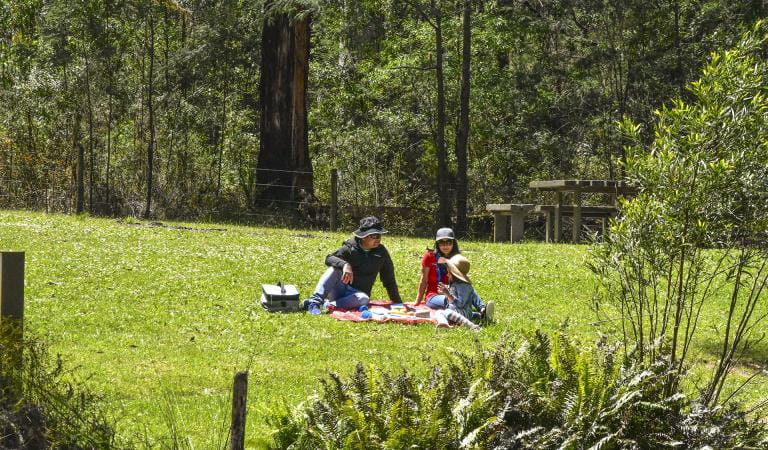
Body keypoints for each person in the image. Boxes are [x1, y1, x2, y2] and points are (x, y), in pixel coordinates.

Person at [303, 216, 402, 315]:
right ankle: (314, 303)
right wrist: (345, 265)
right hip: (339, 289)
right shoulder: (349, 247)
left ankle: (328, 305)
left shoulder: (381, 252)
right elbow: (329, 258)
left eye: (379, 236)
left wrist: (398, 303)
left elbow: (389, 279)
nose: (377, 239)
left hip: (357, 296)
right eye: (373, 236)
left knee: (364, 299)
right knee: (334, 269)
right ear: (363, 237)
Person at [433, 254, 494, 329]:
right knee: (438, 312)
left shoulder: (463, 287)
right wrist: (447, 289)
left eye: (449, 272)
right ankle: (444, 324)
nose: (447, 274)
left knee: (447, 312)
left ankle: (471, 326)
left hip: (462, 312)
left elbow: (460, 304)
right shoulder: (458, 284)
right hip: (461, 312)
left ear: (455, 274)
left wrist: (448, 294)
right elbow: (456, 293)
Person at [414, 227, 461, 309]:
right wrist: (417, 302)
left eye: (449, 242)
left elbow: (461, 281)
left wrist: (450, 289)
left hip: (453, 292)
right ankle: (476, 314)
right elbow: (424, 280)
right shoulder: (429, 256)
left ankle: (482, 308)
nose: (445, 245)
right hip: (434, 295)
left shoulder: (457, 258)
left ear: (454, 243)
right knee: (450, 300)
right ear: (437, 243)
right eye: (442, 242)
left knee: (470, 290)